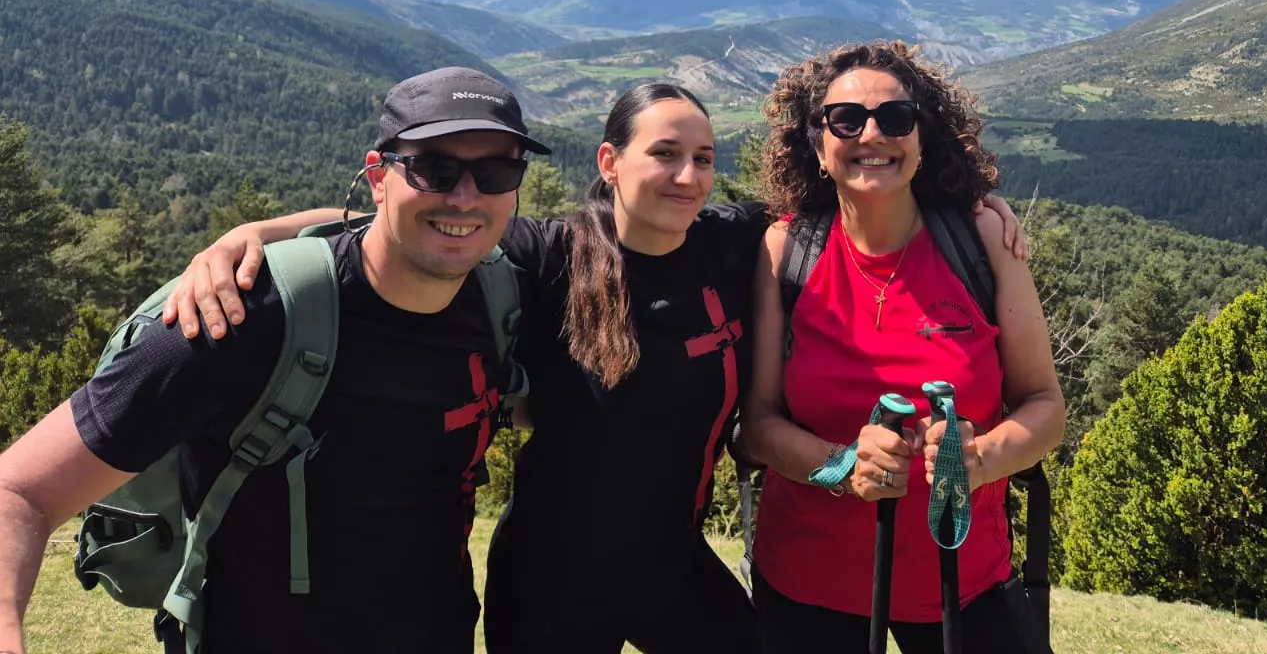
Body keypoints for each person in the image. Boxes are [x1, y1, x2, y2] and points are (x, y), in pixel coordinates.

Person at [168, 81, 1031, 654]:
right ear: (610, 163)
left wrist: (970, 204)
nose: (688, 175)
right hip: (548, 587)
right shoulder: (549, 257)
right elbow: (422, 220)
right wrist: (257, 235)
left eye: (702, 158)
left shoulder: (733, 245)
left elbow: (861, 188)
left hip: (675, 573)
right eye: (664, 154)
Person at [0, 65, 546, 654]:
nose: (465, 197)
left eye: (495, 171)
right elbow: (22, 491)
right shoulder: (237, 317)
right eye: (434, 168)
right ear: (378, 176)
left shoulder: (505, 289)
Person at [741, 41, 1066, 654]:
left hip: (963, 586)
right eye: (846, 120)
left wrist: (982, 458)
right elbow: (758, 425)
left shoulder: (982, 240)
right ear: (817, 145)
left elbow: (1045, 404)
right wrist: (843, 466)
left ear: (922, 139)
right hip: (807, 586)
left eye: (895, 118)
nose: (873, 134)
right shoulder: (784, 253)